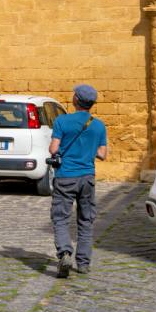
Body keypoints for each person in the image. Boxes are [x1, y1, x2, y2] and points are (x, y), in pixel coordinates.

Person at [48, 83, 109, 278]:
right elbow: (102, 154)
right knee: (86, 220)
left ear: (76, 100)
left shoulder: (62, 121)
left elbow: (53, 150)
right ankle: (83, 263)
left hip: (66, 176)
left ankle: (65, 252)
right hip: (87, 177)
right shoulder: (98, 125)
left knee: (61, 218)